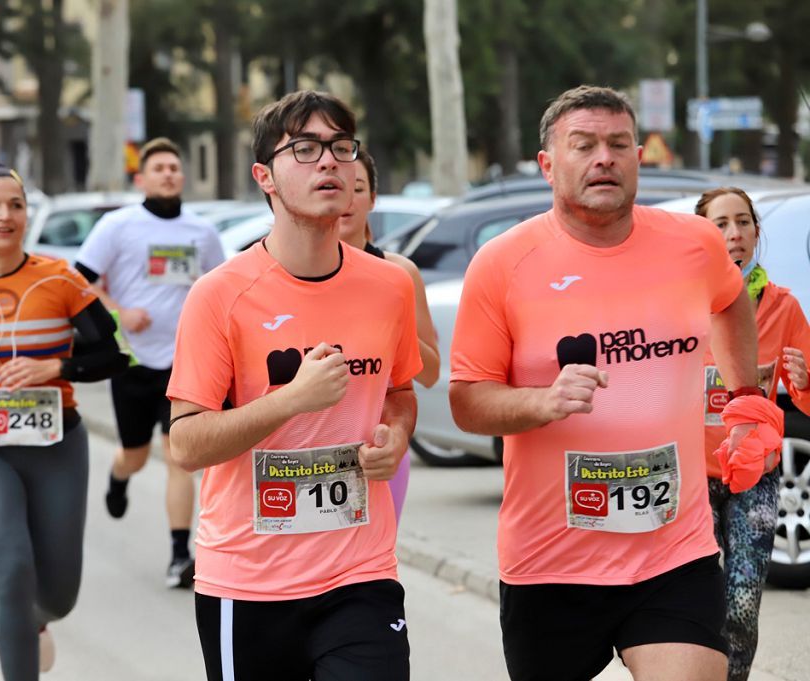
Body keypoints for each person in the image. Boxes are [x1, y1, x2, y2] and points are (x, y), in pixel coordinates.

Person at [448, 85, 782, 681]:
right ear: (548, 164)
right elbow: (467, 403)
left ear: (637, 157)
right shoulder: (502, 265)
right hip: (552, 563)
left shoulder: (694, 243)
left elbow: (730, 303)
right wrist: (541, 401)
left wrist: (747, 400)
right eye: (584, 145)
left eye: (619, 143)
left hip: (674, 553)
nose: (604, 157)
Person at [167, 90, 421, 681]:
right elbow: (185, 444)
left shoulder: (389, 287)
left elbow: (401, 392)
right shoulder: (220, 294)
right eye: (304, 149)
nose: (329, 161)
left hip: (361, 573)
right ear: (266, 177)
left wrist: (396, 437)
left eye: (340, 147)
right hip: (249, 582)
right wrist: (291, 400)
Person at [0, 164, 129, 679]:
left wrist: (58, 366)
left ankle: (31, 623)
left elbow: (112, 356)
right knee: (10, 571)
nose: (4, 215)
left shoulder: (61, 278)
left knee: (57, 594)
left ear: (26, 214)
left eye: (14, 204)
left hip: (58, 446)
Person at [74, 136, 225, 588]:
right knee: (137, 456)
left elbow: (223, 287)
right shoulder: (119, 227)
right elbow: (77, 285)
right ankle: (119, 476)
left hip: (186, 365)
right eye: (158, 167)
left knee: (180, 456)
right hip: (133, 362)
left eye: (174, 167)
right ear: (140, 178)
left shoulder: (203, 232)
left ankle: (181, 555)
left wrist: (204, 289)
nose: (168, 174)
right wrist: (118, 311)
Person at [695, 187, 810, 681]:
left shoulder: (782, 305)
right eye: (720, 224)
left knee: (742, 607)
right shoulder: (680, 303)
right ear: (701, 234)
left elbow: (806, 401)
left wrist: (804, 383)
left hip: (755, 476)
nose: (734, 234)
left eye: (743, 222)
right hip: (690, 477)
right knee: (692, 605)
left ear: (757, 233)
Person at [336, 148, 439, 520]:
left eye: (358, 188)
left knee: (373, 566)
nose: (347, 199)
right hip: (308, 452)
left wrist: (393, 324)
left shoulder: (398, 274)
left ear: (373, 199)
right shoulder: (292, 275)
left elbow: (429, 374)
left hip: (378, 449)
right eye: (338, 187)